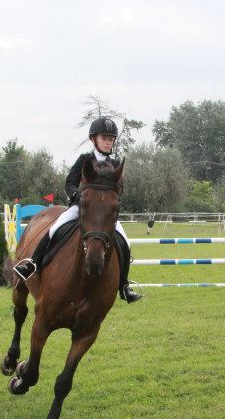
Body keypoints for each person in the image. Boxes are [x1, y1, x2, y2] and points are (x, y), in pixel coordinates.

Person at [14, 117, 142, 303]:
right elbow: (70, 183)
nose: (108, 142)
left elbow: (119, 188)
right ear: (93, 139)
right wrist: (77, 195)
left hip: (103, 214)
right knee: (54, 228)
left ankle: (123, 285)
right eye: (104, 138)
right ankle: (32, 264)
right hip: (81, 208)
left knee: (125, 242)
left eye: (111, 139)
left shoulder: (115, 165)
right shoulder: (84, 160)